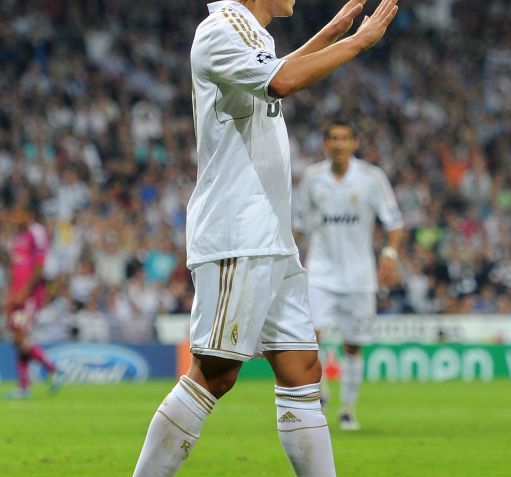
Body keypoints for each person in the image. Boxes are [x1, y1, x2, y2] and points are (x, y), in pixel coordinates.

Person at [132, 1, 397, 476]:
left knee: (302, 373)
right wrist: (358, 42)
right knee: (214, 374)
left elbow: (276, 73)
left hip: (272, 237)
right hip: (239, 233)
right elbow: (282, 81)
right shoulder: (225, 25)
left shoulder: (251, 32)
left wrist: (331, 33)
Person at [294, 119, 404, 431]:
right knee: (309, 338)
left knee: (353, 345)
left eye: (344, 138)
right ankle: (321, 393)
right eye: (333, 138)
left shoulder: (371, 178)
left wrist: (390, 254)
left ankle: (347, 410)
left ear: (354, 143)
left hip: (359, 275)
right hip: (320, 272)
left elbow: (394, 223)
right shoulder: (312, 178)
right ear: (324, 144)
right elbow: (299, 225)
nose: (338, 144)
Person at [4, 201, 59, 399]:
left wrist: (24, 292)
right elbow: (15, 268)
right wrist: (11, 293)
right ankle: (24, 387)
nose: (13, 217)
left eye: (17, 213)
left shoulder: (37, 232)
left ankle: (51, 369)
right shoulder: (18, 236)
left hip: (28, 295)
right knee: (18, 339)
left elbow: (39, 266)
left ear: (28, 215)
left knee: (20, 338)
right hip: (17, 294)